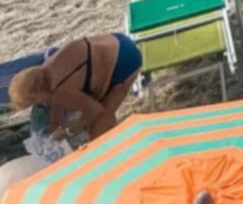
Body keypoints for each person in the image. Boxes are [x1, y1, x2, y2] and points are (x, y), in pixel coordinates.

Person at [8, 34, 143, 142]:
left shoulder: (60, 90)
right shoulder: (46, 67)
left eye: (34, 101)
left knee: (98, 126)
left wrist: (68, 131)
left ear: (37, 90)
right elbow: (57, 108)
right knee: (96, 109)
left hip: (126, 61)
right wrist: (57, 128)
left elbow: (96, 111)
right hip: (117, 40)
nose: (38, 104)